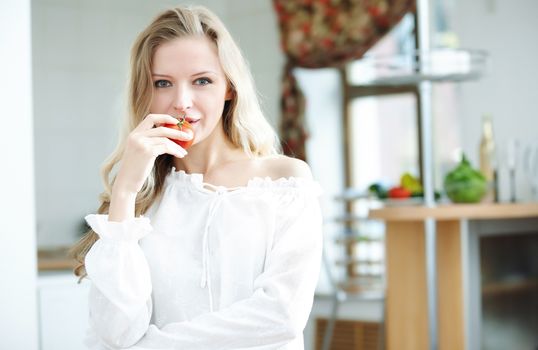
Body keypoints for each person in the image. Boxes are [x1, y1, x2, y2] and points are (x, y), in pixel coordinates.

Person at [70, 5, 323, 350]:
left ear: (229, 87)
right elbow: (115, 332)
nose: (182, 102)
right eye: (163, 83)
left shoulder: (284, 181)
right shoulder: (142, 197)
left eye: (202, 81)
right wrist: (125, 190)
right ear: (146, 93)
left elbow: (281, 316)